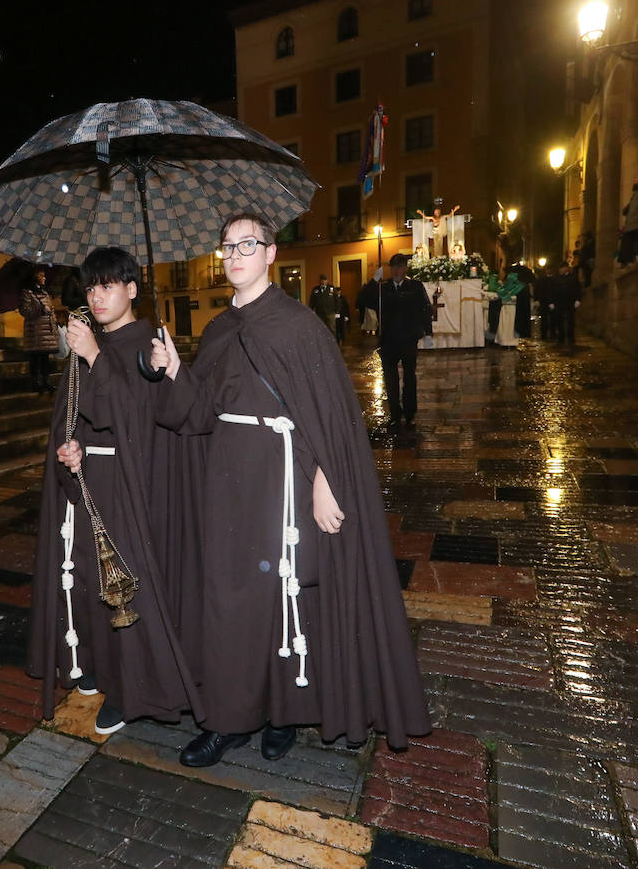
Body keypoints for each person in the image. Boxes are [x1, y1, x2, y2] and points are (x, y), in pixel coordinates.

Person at [150, 212, 429, 768]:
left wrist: (327, 481)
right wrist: (175, 370)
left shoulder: (300, 326)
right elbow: (199, 413)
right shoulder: (218, 330)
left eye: (246, 245)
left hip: (285, 477)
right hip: (228, 484)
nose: (234, 255)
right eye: (226, 246)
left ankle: (283, 714)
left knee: (285, 593)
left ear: (271, 253)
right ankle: (229, 719)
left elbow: (332, 418)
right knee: (228, 599)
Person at [27, 246, 202, 738]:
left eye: (107, 285)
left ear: (132, 289)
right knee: (90, 579)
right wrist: (71, 448)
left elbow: (138, 420)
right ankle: (104, 669)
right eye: (90, 287)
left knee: (124, 585)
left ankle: (135, 692)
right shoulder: (91, 344)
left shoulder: (149, 344)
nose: (97, 296)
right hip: (91, 482)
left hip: (131, 488)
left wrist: (95, 356)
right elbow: (79, 413)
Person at [359, 253, 433, 427]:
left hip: (408, 338)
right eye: (393, 267)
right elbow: (362, 300)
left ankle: (409, 412)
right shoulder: (382, 288)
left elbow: (425, 309)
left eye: (400, 267)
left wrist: (428, 332)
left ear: (405, 268)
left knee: (409, 377)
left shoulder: (415, 286)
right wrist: (372, 281)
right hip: (389, 340)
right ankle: (394, 413)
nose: (396, 271)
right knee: (390, 379)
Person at [20, 268, 58, 394]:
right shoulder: (27, 292)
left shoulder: (45, 293)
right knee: (35, 358)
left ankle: (46, 382)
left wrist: (53, 323)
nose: (44, 278)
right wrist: (41, 309)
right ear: (35, 276)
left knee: (45, 358)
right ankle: (36, 382)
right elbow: (25, 311)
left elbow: (51, 310)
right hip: (35, 332)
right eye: (42, 275)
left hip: (46, 331)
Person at [549, 262, 582, 346]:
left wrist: (578, 300)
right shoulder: (556, 279)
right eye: (561, 268)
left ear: (567, 268)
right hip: (559, 302)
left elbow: (577, 289)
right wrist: (551, 302)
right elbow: (552, 291)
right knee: (559, 321)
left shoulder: (573, 278)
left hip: (570, 302)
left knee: (571, 320)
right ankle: (561, 337)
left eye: (563, 268)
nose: (562, 269)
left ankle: (571, 337)